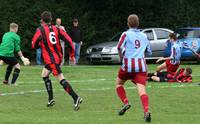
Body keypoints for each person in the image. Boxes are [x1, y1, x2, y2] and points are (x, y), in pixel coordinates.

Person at [32, 11, 82, 110]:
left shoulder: (40, 30)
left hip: (51, 60)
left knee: (61, 78)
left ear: (42, 20)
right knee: (44, 74)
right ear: (51, 19)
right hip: (58, 57)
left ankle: (76, 97)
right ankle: (51, 99)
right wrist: (72, 55)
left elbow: (33, 44)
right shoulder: (57, 29)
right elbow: (69, 40)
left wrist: (39, 44)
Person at [115, 14, 152, 122]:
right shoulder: (144, 36)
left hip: (128, 66)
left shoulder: (126, 34)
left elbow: (119, 47)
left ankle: (126, 102)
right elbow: (148, 51)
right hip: (141, 67)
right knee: (142, 91)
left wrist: (122, 57)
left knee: (118, 83)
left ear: (128, 24)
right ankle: (146, 110)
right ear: (138, 23)